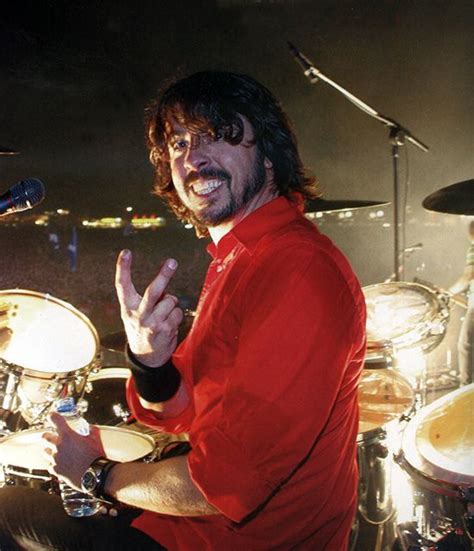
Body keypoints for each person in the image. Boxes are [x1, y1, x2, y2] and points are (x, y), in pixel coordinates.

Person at [0, 71, 366, 550]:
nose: (193, 157)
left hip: (234, 543)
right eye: (178, 143)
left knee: (8, 512)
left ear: (271, 156)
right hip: (190, 529)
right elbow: (175, 414)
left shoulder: (296, 270)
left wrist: (95, 474)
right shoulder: (239, 258)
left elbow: (227, 485)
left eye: (216, 135)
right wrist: (148, 360)